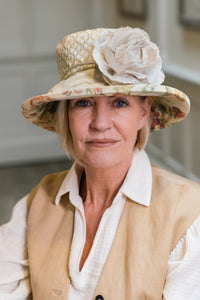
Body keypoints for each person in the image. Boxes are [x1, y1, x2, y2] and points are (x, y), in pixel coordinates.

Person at [0, 26, 200, 300]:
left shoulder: (188, 216)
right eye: (83, 103)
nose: (100, 123)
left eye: (119, 103)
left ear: (144, 112)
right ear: (66, 116)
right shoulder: (36, 204)